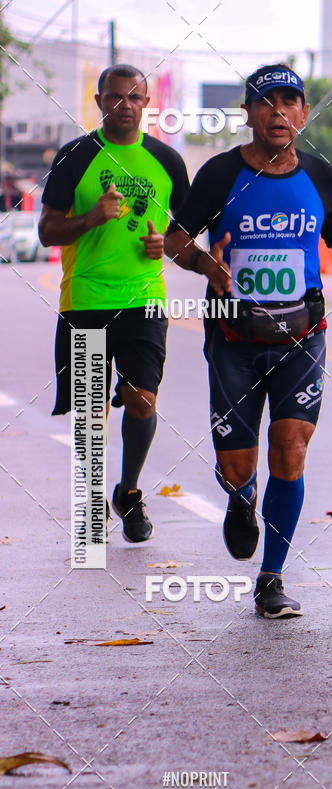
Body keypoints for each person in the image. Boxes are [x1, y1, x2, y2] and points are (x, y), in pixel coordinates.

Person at [165, 63, 332, 619]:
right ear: (249, 113)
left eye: (290, 101)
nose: (278, 111)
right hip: (234, 337)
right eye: (266, 102)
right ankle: (241, 501)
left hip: (301, 336)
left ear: (304, 113)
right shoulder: (218, 174)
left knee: (291, 448)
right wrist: (206, 263)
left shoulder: (319, 173)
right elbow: (174, 241)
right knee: (239, 465)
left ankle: (272, 577)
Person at [39, 64, 189, 542]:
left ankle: (129, 492)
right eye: (115, 96)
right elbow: (46, 231)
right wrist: (90, 217)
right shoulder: (76, 156)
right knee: (89, 411)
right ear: (99, 101)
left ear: (147, 104)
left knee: (142, 399)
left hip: (144, 300)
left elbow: (181, 238)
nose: (125, 105)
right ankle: (93, 497)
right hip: (84, 301)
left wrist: (163, 243)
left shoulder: (167, 161)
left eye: (134, 97)